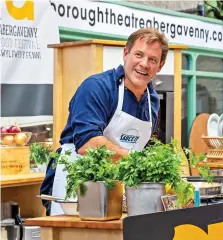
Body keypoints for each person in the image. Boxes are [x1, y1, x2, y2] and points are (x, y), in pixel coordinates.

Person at [40, 28, 168, 215]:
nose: (144, 64)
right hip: (77, 185)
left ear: (160, 65)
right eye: (138, 55)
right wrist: (136, 160)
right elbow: (87, 144)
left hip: (118, 191)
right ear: (125, 54)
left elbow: (144, 146)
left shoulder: (152, 101)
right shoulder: (97, 87)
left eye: (153, 60)